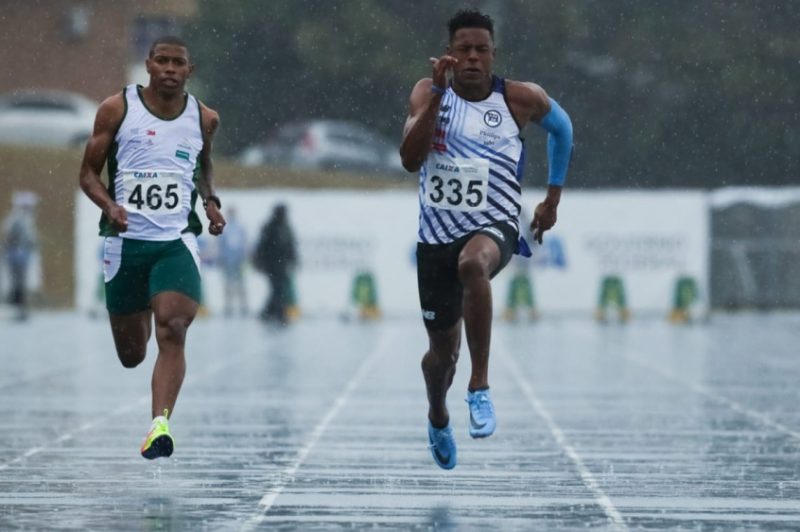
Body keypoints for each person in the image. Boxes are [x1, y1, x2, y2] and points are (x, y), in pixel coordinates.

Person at [399, 9, 573, 469]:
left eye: (481, 50)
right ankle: (438, 414)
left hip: (494, 224)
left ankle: (480, 386)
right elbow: (410, 160)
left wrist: (551, 199)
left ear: (494, 54)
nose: (472, 58)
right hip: (435, 236)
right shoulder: (426, 92)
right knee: (440, 358)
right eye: (463, 50)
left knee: (474, 264)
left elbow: (564, 130)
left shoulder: (521, 99)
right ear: (450, 54)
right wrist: (438, 94)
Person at [78, 36, 226, 460]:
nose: (169, 69)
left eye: (178, 62)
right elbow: (87, 174)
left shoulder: (204, 118)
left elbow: (203, 165)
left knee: (174, 328)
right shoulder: (117, 109)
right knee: (131, 354)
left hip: (174, 242)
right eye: (161, 60)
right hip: (125, 244)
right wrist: (110, 205)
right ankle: (144, 301)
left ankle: (159, 425)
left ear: (189, 70)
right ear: (147, 64)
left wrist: (211, 203)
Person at [252, 203, 297, 325]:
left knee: (278, 289)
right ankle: (278, 313)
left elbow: (291, 246)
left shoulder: (285, 227)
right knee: (278, 289)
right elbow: (262, 246)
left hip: (281, 265)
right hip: (272, 265)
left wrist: (293, 259)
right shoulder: (270, 227)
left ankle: (269, 312)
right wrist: (260, 262)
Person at [2, 191, 39, 321]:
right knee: (16, 283)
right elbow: (10, 237)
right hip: (16, 256)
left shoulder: (24, 220)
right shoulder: (17, 219)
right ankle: (16, 307)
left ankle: (20, 307)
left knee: (20, 283)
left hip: (21, 256)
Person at [217, 205, 249, 317]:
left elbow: (244, 243)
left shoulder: (239, 227)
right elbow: (221, 244)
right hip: (228, 260)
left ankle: (243, 306)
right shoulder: (225, 227)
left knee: (240, 284)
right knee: (228, 285)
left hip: (237, 260)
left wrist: (244, 257)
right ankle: (229, 306)